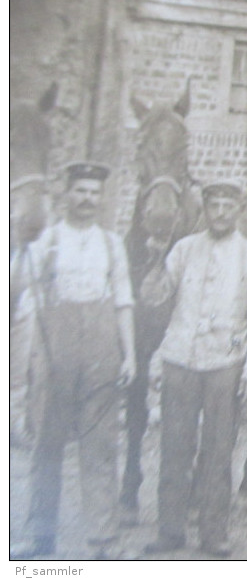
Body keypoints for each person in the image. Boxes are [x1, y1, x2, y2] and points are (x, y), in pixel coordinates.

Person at [141, 179, 247, 558]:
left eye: (227, 206)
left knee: (218, 453)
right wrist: (154, 259)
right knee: (174, 448)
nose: (220, 212)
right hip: (180, 360)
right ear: (204, 209)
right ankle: (170, 530)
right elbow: (155, 301)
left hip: (225, 364)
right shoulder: (183, 250)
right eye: (213, 205)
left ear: (238, 210)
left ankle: (213, 534)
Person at [11, 162, 136, 560]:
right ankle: (40, 534)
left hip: (101, 353)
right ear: (67, 194)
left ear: (101, 199)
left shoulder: (111, 244)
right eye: (80, 191)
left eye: (94, 193)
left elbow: (122, 301)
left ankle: (102, 538)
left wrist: (129, 354)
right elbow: (22, 299)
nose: (87, 199)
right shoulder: (45, 242)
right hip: (54, 352)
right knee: (47, 446)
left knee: (99, 448)